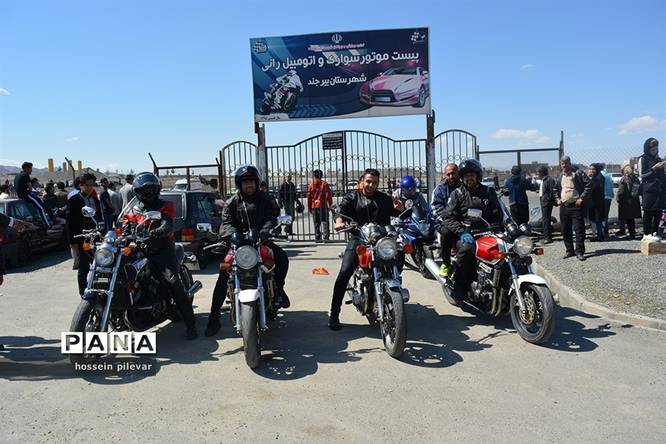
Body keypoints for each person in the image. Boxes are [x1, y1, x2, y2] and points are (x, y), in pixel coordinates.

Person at [206, 165, 291, 337]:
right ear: (239, 184)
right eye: (245, 182)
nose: (249, 184)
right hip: (238, 247)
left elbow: (273, 218)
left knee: (281, 259)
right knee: (224, 272)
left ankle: (279, 290)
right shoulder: (231, 202)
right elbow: (226, 223)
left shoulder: (267, 199)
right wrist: (232, 235)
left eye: (251, 181)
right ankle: (214, 318)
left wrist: (266, 231)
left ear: (256, 182)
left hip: (262, 243)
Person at [122, 172, 197, 340]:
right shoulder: (134, 209)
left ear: (157, 190)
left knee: (172, 281)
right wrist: (119, 235)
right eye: (145, 190)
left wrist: (158, 231)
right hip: (140, 250)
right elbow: (126, 226)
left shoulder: (165, 205)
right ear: (138, 192)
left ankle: (191, 324)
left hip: (162, 251)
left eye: (152, 190)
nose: (149, 193)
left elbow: (167, 223)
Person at [328, 168, 405, 330]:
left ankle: (391, 291)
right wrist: (339, 221)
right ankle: (334, 314)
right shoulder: (352, 197)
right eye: (368, 181)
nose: (371, 185)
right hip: (360, 240)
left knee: (400, 253)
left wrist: (400, 208)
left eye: (374, 182)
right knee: (344, 272)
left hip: (382, 240)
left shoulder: (384, 198)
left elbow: (398, 212)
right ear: (362, 181)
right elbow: (341, 210)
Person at [443, 159, 503, 303]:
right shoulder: (457, 193)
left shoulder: (488, 192)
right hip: (467, 234)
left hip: (488, 232)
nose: (469, 178)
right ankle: (459, 286)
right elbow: (447, 217)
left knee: (507, 250)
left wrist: (504, 226)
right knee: (468, 250)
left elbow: (499, 213)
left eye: (472, 174)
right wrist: (461, 232)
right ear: (462, 177)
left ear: (477, 175)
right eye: (466, 175)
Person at [67, 172, 102, 295]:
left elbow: (99, 216)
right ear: (80, 185)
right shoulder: (74, 200)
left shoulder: (95, 199)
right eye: (87, 185)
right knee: (84, 266)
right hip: (83, 237)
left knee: (100, 264)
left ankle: (97, 289)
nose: (90, 187)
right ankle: (83, 293)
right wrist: (72, 241)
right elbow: (70, 221)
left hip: (96, 236)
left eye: (92, 185)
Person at [554, 156, 592, 261]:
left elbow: (589, 185)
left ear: (569, 163)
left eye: (566, 163)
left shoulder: (578, 173)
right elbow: (555, 189)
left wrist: (582, 198)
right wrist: (557, 200)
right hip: (564, 206)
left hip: (576, 206)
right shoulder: (560, 175)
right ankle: (569, 250)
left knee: (579, 230)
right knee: (565, 230)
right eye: (562, 163)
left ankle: (579, 251)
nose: (564, 165)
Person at [431, 163, 462, 276]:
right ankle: (446, 262)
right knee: (446, 232)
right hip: (444, 221)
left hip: (463, 221)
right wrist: (451, 222)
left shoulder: (464, 186)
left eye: (453, 173)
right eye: (448, 174)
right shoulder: (440, 189)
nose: (451, 176)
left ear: (458, 173)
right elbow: (436, 209)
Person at [639, 138, 665, 237]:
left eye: (656, 149)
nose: (655, 151)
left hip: (659, 190)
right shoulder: (643, 159)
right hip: (648, 191)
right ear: (647, 149)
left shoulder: (658, 159)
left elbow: (662, 176)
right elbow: (642, 175)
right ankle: (646, 234)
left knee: (658, 213)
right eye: (652, 149)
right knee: (648, 213)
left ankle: (656, 233)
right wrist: (654, 168)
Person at [14, 162, 51, 227]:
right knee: (41, 208)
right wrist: (30, 191)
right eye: (31, 168)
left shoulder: (17, 176)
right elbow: (30, 188)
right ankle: (47, 225)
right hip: (26, 195)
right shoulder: (26, 175)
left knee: (37, 203)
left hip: (20, 195)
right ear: (26, 168)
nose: (31, 170)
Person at [616, 165, 642, 240]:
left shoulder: (624, 179)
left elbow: (621, 191)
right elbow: (638, 190)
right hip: (634, 201)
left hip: (626, 201)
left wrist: (618, 198)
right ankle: (632, 233)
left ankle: (630, 234)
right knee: (631, 219)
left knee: (628, 218)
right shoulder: (636, 178)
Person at [307, 169, 333, 242]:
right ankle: (326, 237)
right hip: (323, 205)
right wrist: (330, 205)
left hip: (314, 206)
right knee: (325, 222)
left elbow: (309, 197)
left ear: (314, 176)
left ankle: (317, 237)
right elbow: (329, 195)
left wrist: (309, 207)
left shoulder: (311, 184)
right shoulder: (324, 184)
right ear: (321, 175)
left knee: (316, 223)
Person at [537, 166, 557, 244]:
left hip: (546, 203)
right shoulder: (544, 180)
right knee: (545, 219)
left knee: (546, 220)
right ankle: (547, 236)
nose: (538, 174)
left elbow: (552, 191)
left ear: (542, 172)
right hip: (543, 202)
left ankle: (547, 237)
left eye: (538, 172)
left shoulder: (549, 180)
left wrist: (548, 200)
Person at [587, 164, 605, 242]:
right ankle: (598, 235)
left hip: (598, 202)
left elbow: (594, 188)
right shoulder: (595, 177)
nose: (591, 170)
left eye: (593, 169)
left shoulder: (599, 177)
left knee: (598, 219)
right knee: (596, 219)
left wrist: (590, 179)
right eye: (590, 169)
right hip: (594, 202)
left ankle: (599, 236)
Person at [599, 164, 614, 238]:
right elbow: (611, 185)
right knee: (606, 215)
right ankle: (606, 232)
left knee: (600, 215)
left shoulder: (599, 175)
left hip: (601, 197)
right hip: (609, 196)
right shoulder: (608, 175)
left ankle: (601, 231)